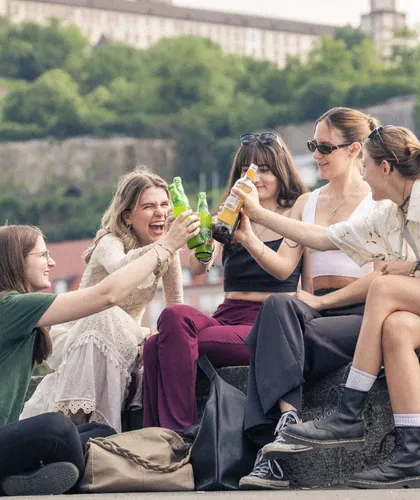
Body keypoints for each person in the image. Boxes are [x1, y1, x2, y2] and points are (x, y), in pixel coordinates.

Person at [235, 125, 420, 489]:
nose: (362, 173)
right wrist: (256, 214)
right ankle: (410, 455)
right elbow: (325, 238)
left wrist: (415, 269)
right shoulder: (393, 214)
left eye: (366, 166)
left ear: (386, 168)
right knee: (397, 328)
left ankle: (349, 411)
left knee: (387, 286)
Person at [0, 212, 199, 496]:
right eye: (43, 255)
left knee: (101, 432)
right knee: (57, 428)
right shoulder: (6, 308)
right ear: (18, 261)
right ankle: (41, 477)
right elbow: (106, 296)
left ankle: (31, 478)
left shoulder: (15, 311)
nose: (51, 263)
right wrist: (166, 246)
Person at [238, 108, 383, 490]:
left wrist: (321, 304)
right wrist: (250, 238)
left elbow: (384, 278)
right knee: (275, 305)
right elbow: (284, 269)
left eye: (323, 147)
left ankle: (270, 454)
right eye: (312, 145)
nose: (316, 154)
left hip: (363, 313)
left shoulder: (378, 200)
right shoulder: (308, 203)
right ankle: (288, 424)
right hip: (312, 313)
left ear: (354, 149)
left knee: (270, 343)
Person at [141, 132, 307, 432]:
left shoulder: (295, 211)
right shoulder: (230, 212)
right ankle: (159, 437)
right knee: (170, 321)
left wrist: (249, 234)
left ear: (281, 172)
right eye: (246, 170)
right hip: (226, 314)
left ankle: (178, 433)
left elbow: (283, 271)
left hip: (268, 322)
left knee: (161, 346)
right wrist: (202, 240)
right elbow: (199, 268)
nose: (254, 177)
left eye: (264, 169)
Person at [21, 168, 187, 431]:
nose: (161, 213)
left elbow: (176, 303)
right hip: (84, 330)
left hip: (127, 337)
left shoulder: (168, 247)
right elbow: (120, 271)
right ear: (128, 216)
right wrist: (165, 245)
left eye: (165, 204)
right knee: (105, 314)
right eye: (149, 206)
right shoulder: (109, 241)